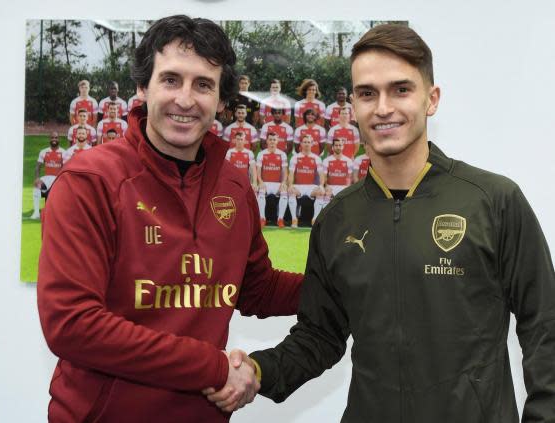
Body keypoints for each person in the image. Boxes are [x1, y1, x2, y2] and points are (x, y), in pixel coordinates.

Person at [206, 23, 555, 422]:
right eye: (368, 93)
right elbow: (320, 336)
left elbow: (545, 325)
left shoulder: (493, 201)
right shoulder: (337, 218)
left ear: (432, 99)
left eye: (401, 89)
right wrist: (256, 370)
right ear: (353, 105)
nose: (383, 107)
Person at [37, 15, 302, 423]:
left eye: (203, 85)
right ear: (143, 87)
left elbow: (256, 289)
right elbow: (73, 324)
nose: (186, 99)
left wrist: (345, 286)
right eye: (171, 80)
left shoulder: (232, 185)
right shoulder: (89, 181)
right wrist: (215, 368)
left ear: (221, 100)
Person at [287, 134, 324, 227]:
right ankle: (294, 220)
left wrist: (321, 185)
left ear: (312, 144)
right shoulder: (295, 157)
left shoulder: (317, 158)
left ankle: (314, 220)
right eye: (305, 142)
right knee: (291, 192)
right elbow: (291, 173)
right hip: (298, 186)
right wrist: (290, 185)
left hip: (311, 187)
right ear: (301, 144)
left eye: (309, 142)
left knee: (320, 192)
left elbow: (321, 175)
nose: (307, 144)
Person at [255, 132, 289, 228]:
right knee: (261, 190)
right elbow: (258, 171)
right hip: (265, 183)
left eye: (274, 140)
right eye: (270, 139)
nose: (272, 142)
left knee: (284, 191)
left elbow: (285, 172)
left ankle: (280, 219)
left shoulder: (282, 154)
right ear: (267, 141)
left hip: (277, 184)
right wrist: (260, 182)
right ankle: (262, 218)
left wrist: (283, 183)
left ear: (277, 141)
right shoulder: (261, 154)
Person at [30, 132, 65, 220]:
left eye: (56, 138)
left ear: (58, 139)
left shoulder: (64, 152)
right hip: (46, 179)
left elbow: (65, 168)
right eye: (52, 138)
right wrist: (37, 178)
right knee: (36, 186)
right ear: (49, 139)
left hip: (57, 179)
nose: (54, 139)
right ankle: (36, 212)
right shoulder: (44, 151)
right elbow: (38, 167)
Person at [321, 137, 353, 204]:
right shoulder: (326, 161)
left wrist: (347, 188)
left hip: (344, 187)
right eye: (336, 145)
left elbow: (349, 177)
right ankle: (325, 213)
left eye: (340, 145)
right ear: (332, 147)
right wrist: (326, 186)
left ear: (343, 147)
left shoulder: (349, 161)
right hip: (330, 187)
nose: (338, 147)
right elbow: (324, 177)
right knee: (326, 196)